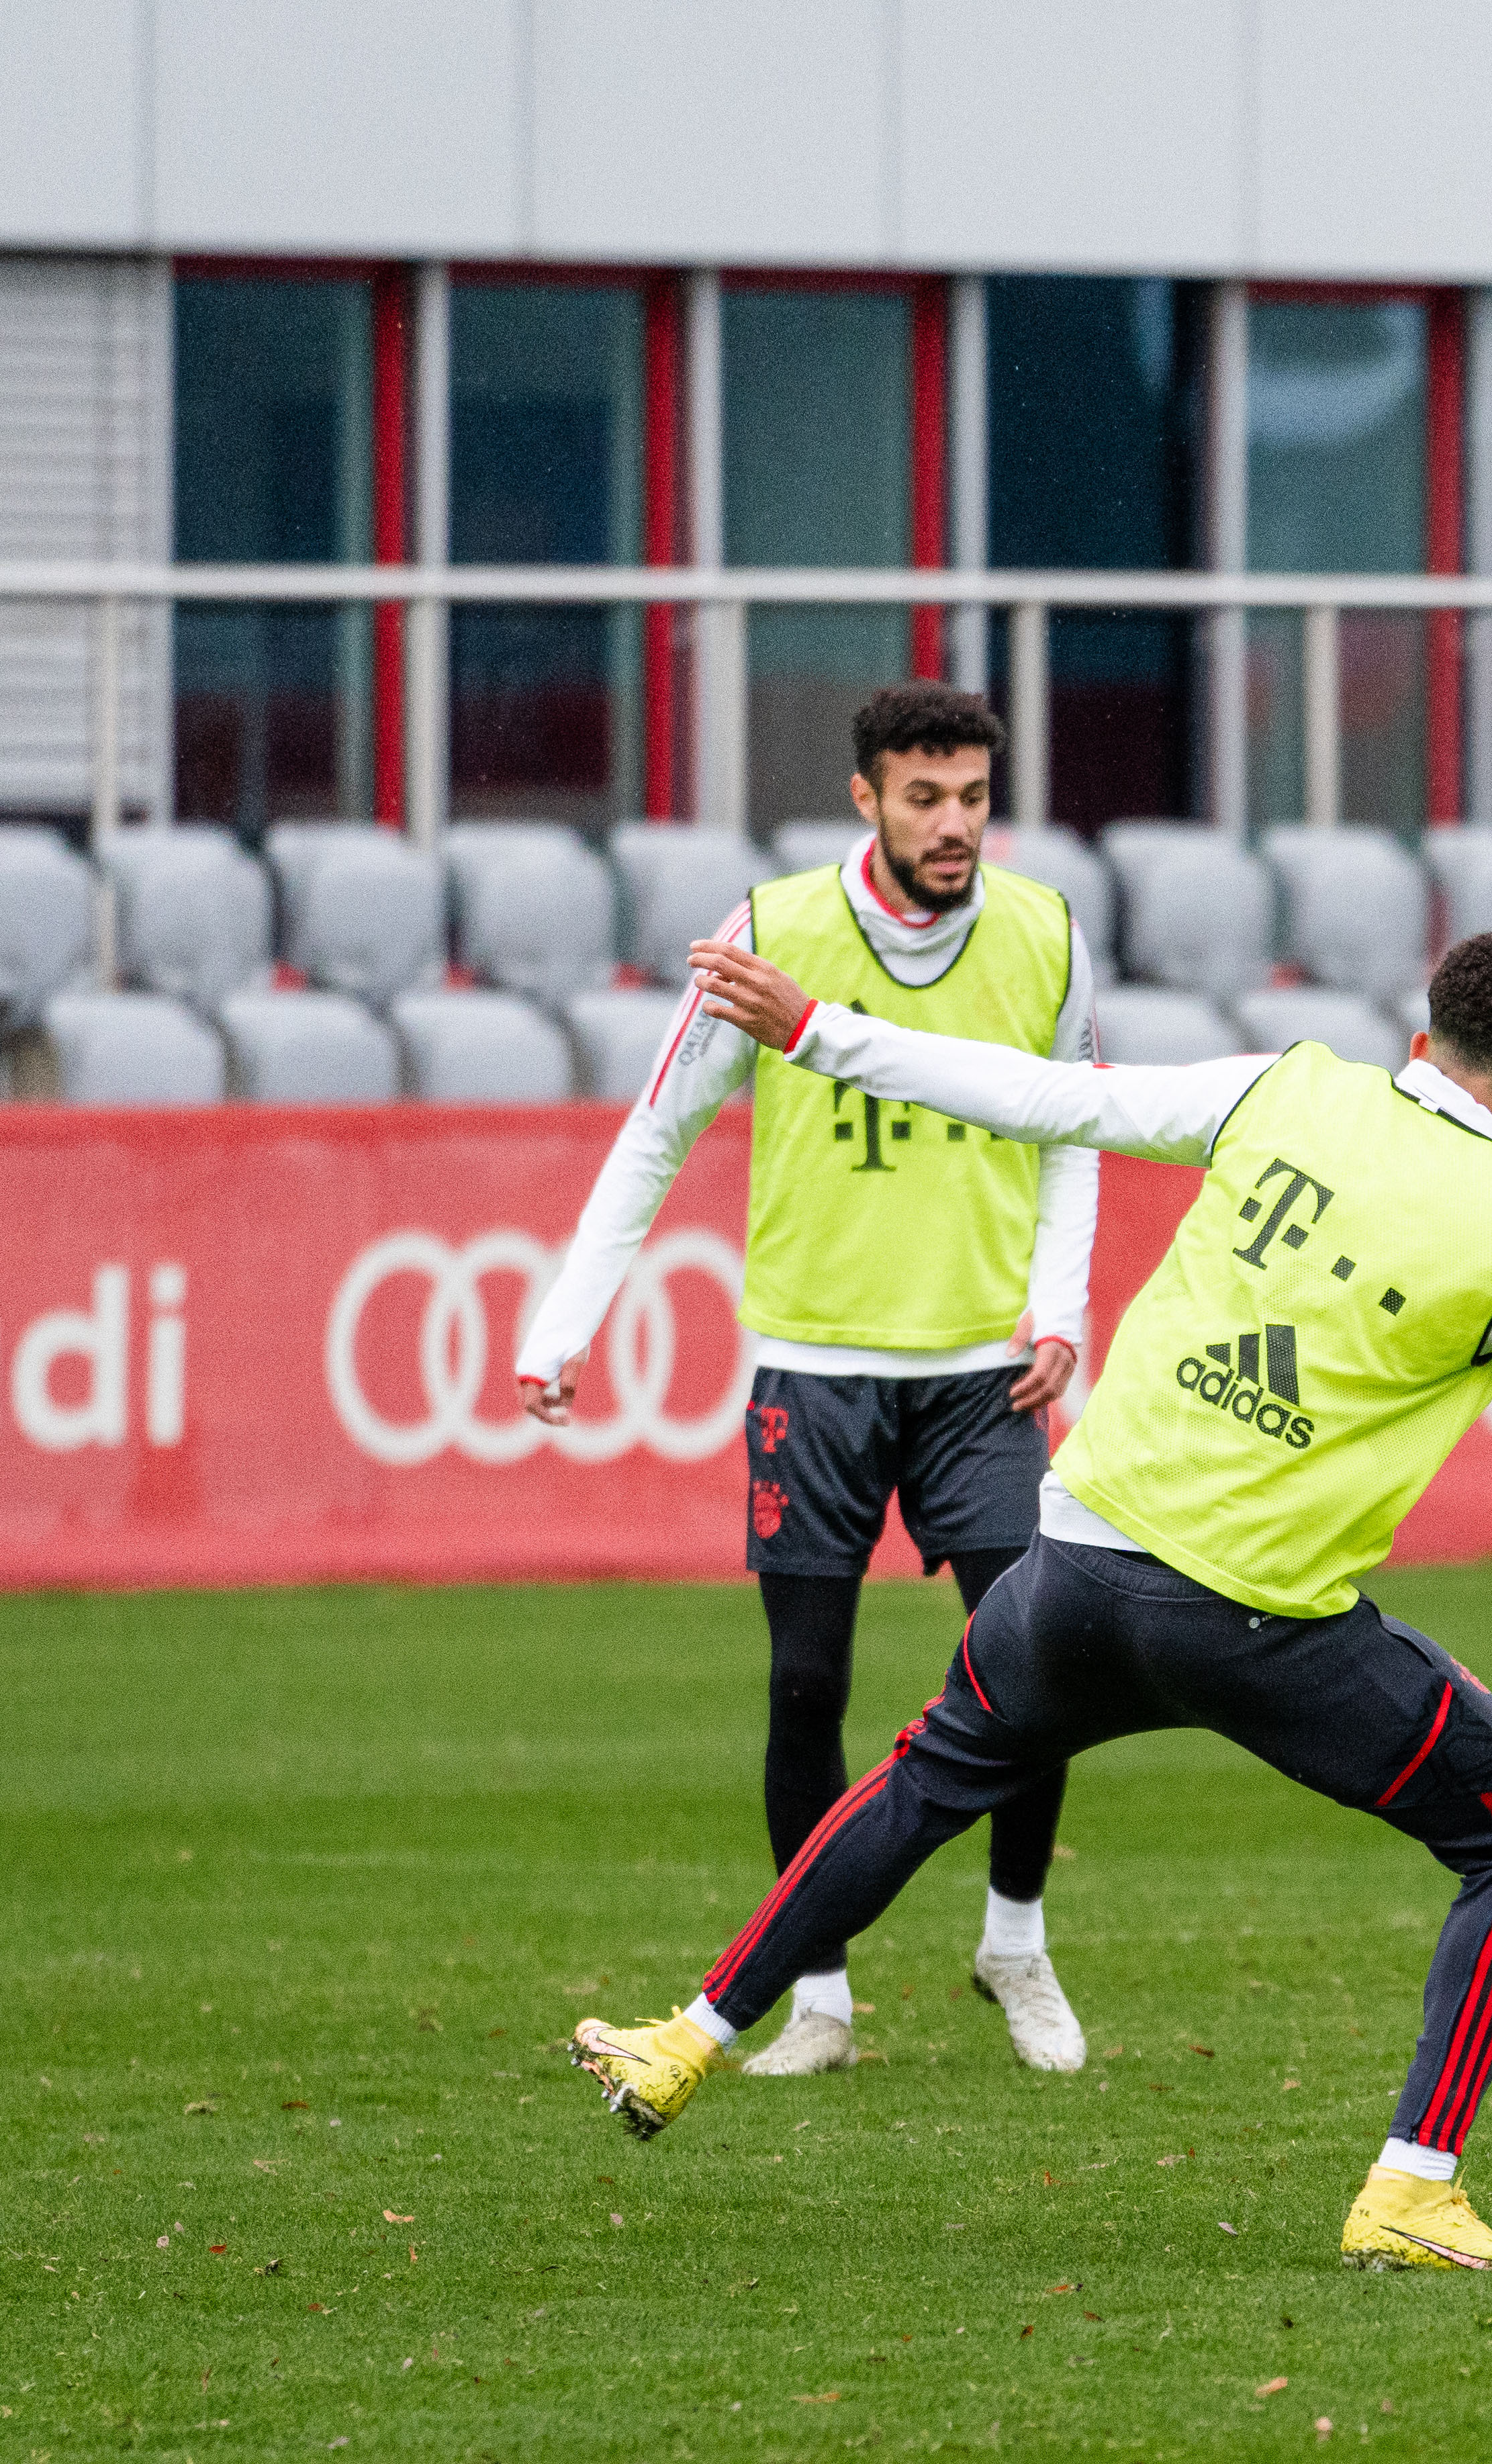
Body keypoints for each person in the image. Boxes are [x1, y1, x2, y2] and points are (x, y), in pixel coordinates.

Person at [567, 929, 1492, 2273]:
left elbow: (1051, 1097)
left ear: (1417, 1039)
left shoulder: (1292, 1086)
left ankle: (684, 2038)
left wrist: (819, 1034)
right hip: (1243, 1616)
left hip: (1074, 1559)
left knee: (919, 1779)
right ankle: (1413, 2188)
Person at [517, 682, 1098, 2080]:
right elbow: (659, 1133)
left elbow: (1078, 1126)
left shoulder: (1045, 930)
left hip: (983, 1373)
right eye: (924, 797)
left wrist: (1060, 1307)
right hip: (816, 1365)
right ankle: (820, 2000)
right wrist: (563, 1320)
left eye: (970, 795)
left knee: (1040, 1665)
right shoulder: (771, 934)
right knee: (804, 1688)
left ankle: (1014, 1938)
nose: (953, 823)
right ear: (867, 797)